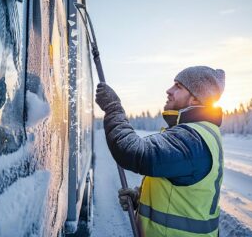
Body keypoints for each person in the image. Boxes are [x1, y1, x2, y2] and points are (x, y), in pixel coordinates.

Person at [95, 66, 225, 237]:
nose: (168, 91)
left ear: (195, 99)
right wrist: (139, 199)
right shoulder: (198, 133)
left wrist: (113, 108)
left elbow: (133, 152)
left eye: (178, 86)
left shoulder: (191, 138)